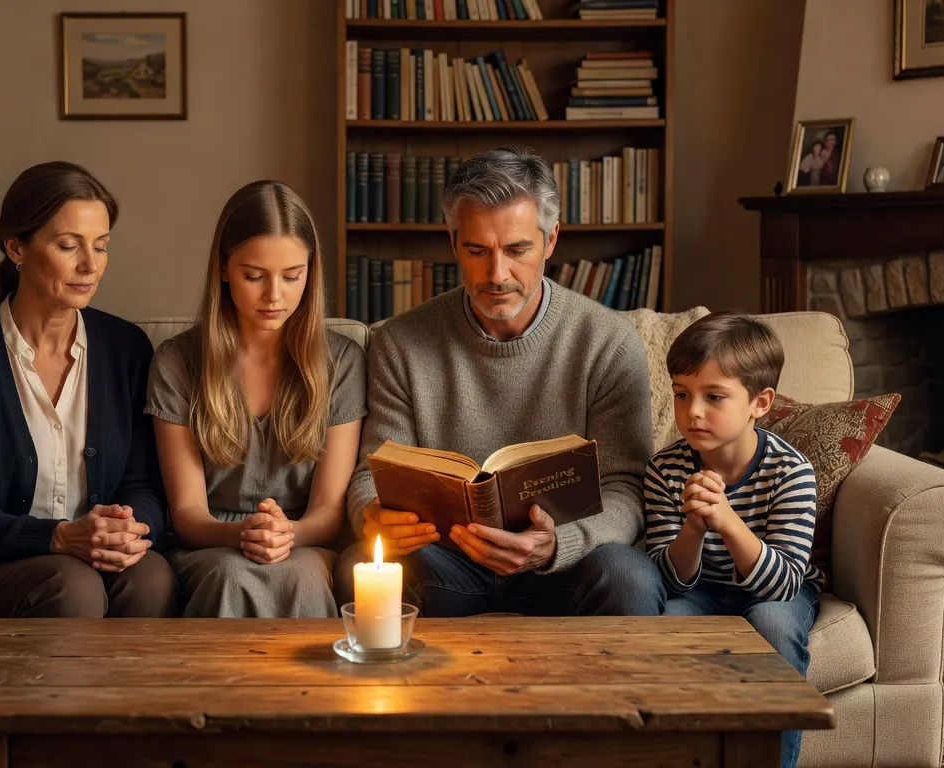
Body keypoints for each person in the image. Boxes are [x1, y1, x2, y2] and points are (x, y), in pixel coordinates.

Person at [333, 146, 664, 618]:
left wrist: (555, 546)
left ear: (550, 241)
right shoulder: (401, 342)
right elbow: (372, 474)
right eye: (476, 251)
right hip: (445, 564)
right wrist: (373, 517)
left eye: (517, 250)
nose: (496, 274)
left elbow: (627, 489)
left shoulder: (607, 342)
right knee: (361, 564)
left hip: (565, 565)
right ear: (453, 244)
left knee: (629, 575)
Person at [0, 161, 177, 643]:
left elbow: (144, 482)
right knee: (74, 586)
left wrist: (130, 529)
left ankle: (126, 718)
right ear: (16, 247)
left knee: (152, 578)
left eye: (101, 245)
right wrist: (60, 538)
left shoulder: (127, 350)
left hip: (87, 557)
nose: (91, 264)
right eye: (69, 246)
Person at [150, 180, 366, 618]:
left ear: (311, 269)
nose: (274, 296)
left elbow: (328, 510)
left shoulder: (342, 361)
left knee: (302, 574)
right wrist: (243, 535)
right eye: (254, 276)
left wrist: (288, 533)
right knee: (230, 574)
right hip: (211, 543)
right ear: (224, 269)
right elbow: (187, 512)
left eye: (292, 277)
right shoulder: (177, 362)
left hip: (304, 541)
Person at [643, 311, 821, 768]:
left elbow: (783, 585)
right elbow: (672, 580)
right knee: (666, 627)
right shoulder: (666, 469)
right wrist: (694, 529)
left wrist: (726, 520)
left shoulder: (790, 471)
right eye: (681, 394)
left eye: (714, 396)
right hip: (700, 590)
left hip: (775, 589)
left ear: (759, 403)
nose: (692, 411)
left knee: (775, 625)